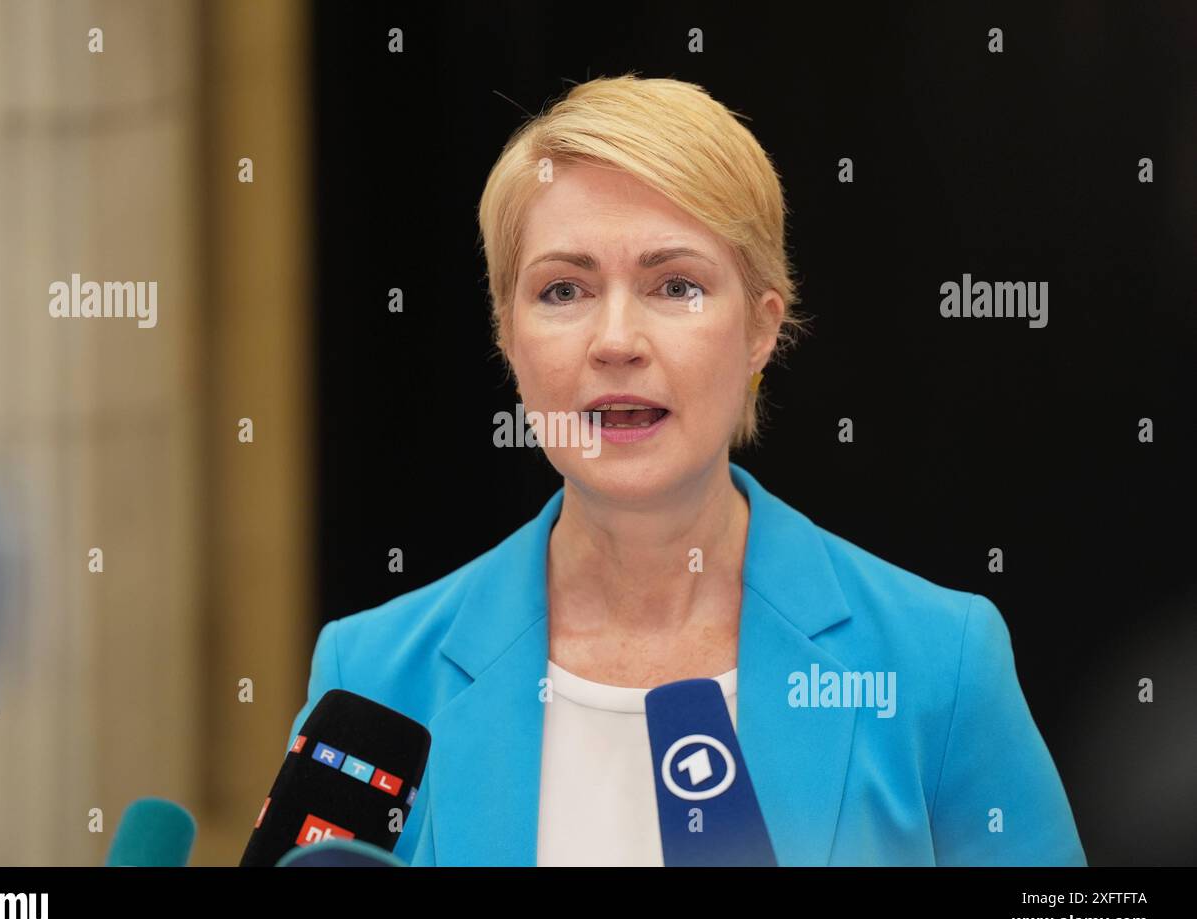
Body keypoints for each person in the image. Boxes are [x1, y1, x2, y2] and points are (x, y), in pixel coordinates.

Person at [286, 73, 1086, 866]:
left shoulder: (936, 662)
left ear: (761, 332)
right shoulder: (373, 675)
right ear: (508, 337)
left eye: (677, 285)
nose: (616, 340)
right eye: (563, 289)